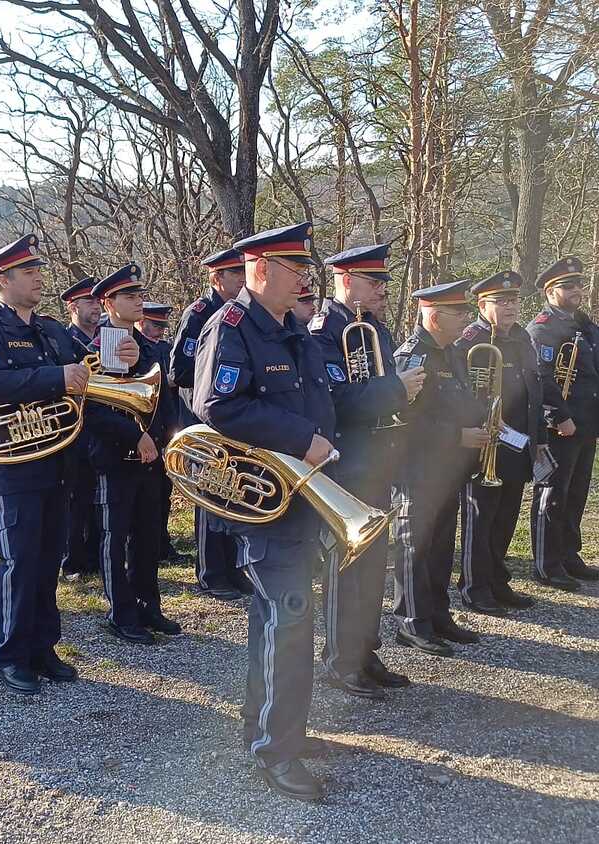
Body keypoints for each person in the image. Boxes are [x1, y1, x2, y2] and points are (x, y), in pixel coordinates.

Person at [191, 222, 337, 802]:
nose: (303, 277)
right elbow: (217, 404)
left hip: (301, 497)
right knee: (290, 621)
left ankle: (270, 727)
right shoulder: (230, 327)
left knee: (275, 621)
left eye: (303, 268)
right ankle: (276, 751)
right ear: (259, 270)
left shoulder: (292, 328)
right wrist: (302, 439)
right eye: (293, 268)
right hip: (267, 504)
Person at [0, 233, 88, 695]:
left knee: (48, 557)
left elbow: (83, 370)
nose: (38, 278)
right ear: (1, 280)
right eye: (29, 272)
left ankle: (43, 647)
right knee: (18, 560)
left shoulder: (52, 329)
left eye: (38, 271)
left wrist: (117, 360)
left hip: (56, 459)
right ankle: (11, 653)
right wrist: (56, 378)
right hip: (15, 463)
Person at [308, 243, 423, 699]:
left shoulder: (374, 328)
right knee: (347, 563)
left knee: (375, 563)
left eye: (382, 284)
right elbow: (336, 401)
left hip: (377, 458)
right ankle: (340, 658)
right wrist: (395, 388)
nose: (381, 291)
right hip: (347, 463)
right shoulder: (324, 332)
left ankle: (365, 650)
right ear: (346, 280)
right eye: (373, 283)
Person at [390, 281, 488, 656]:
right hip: (417, 469)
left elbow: (458, 402)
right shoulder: (413, 357)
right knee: (415, 546)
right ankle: (412, 622)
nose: (465, 317)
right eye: (458, 312)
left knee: (442, 545)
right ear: (433, 317)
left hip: (447, 468)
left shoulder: (451, 352)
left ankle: (437, 614)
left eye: (465, 311)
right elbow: (404, 422)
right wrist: (458, 435)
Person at [83, 264, 178, 643]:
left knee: (148, 535)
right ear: (108, 303)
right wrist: (134, 437)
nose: (139, 301)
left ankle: (148, 604)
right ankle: (121, 613)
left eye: (140, 295)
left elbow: (162, 400)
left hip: (151, 457)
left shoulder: (149, 347)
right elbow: (95, 409)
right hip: (114, 457)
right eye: (129, 296)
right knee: (115, 536)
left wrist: (160, 438)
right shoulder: (97, 348)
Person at [454, 271, 557, 616]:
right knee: (480, 518)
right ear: (482, 306)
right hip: (486, 445)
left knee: (506, 517)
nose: (510, 307)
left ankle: (497, 579)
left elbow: (534, 391)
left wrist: (539, 439)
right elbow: (461, 395)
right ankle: (474, 586)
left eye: (514, 301)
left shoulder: (522, 338)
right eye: (501, 302)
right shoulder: (470, 341)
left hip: (517, 443)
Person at [173, 247, 251, 601]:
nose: (242, 280)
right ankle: (211, 573)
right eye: (236, 274)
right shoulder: (199, 313)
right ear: (216, 278)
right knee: (209, 495)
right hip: (202, 420)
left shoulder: (243, 314)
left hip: (233, 420)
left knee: (235, 493)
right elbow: (179, 370)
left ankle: (234, 568)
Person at [526, 257, 599, 589]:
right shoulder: (543, 328)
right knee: (552, 493)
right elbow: (541, 379)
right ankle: (546, 563)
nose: (576, 290)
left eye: (578, 285)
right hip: (560, 426)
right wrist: (559, 417)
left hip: (586, 422)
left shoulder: (585, 326)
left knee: (577, 493)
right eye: (568, 286)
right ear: (550, 292)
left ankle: (568, 554)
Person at [59, 276, 101, 580]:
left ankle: (95, 555)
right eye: (89, 301)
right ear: (73, 307)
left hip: (101, 426)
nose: (96, 306)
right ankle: (72, 559)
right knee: (75, 497)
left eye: (98, 301)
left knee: (98, 494)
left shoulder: (107, 338)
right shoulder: (62, 339)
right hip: (74, 428)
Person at [138, 302, 182, 565]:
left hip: (166, 425)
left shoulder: (165, 348)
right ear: (141, 322)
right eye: (155, 325)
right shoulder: (137, 348)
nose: (160, 331)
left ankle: (162, 545)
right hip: (146, 429)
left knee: (162, 494)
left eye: (163, 326)